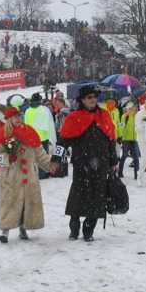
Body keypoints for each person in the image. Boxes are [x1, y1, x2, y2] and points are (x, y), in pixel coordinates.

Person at [52, 85, 118, 242]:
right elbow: (63, 141)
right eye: (89, 97)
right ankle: (74, 229)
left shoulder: (105, 116)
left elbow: (111, 140)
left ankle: (89, 230)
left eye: (94, 96)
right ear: (82, 100)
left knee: (97, 197)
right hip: (81, 165)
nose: (93, 99)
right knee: (78, 196)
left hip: (101, 165)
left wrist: (113, 161)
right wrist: (55, 159)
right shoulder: (74, 117)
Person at [0, 107, 58, 243]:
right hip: (11, 177)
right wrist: (7, 158)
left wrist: (50, 165)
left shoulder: (29, 132)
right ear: (9, 119)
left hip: (29, 176)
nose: (17, 119)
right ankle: (5, 230)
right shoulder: (4, 133)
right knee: (9, 203)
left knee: (27, 203)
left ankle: (23, 228)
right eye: (14, 117)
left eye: (19, 116)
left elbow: (39, 153)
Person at [118, 101, 139, 180]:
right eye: (134, 106)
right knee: (124, 155)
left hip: (135, 139)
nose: (135, 108)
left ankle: (136, 174)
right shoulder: (125, 116)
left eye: (135, 106)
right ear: (130, 107)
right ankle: (120, 172)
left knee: (136, 157)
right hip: (126, 139)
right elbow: (121, 126)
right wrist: (121, 136)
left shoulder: (137, 116)